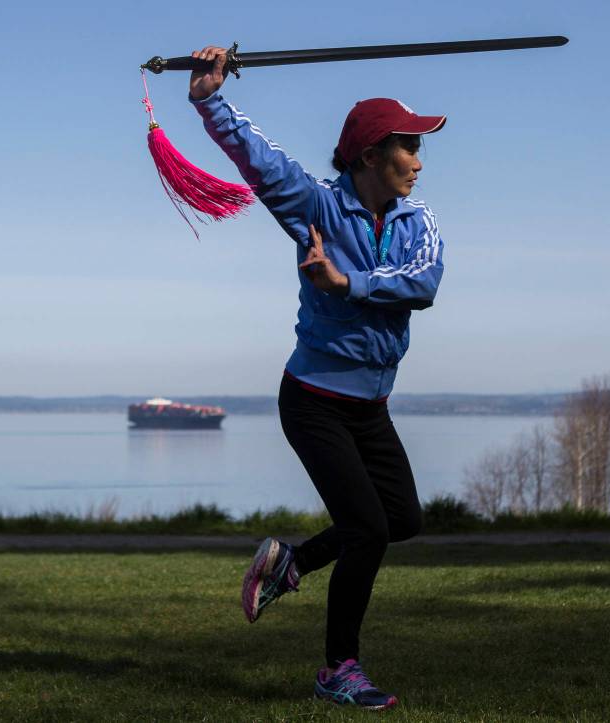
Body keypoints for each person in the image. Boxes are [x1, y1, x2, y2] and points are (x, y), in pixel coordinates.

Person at [188, 44, 446, 711]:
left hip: (371, 404)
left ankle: (291, 562)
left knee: (402, 519)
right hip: (312, 401)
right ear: (368, 157)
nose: (419, 160)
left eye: (420, 147)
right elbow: (259, 159)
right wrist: (209, 98)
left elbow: (422, 284)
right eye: (407, 146)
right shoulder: (316, 208)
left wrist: (346, 281)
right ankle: (339, 667)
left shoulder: (421, 223)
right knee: (367, 529)